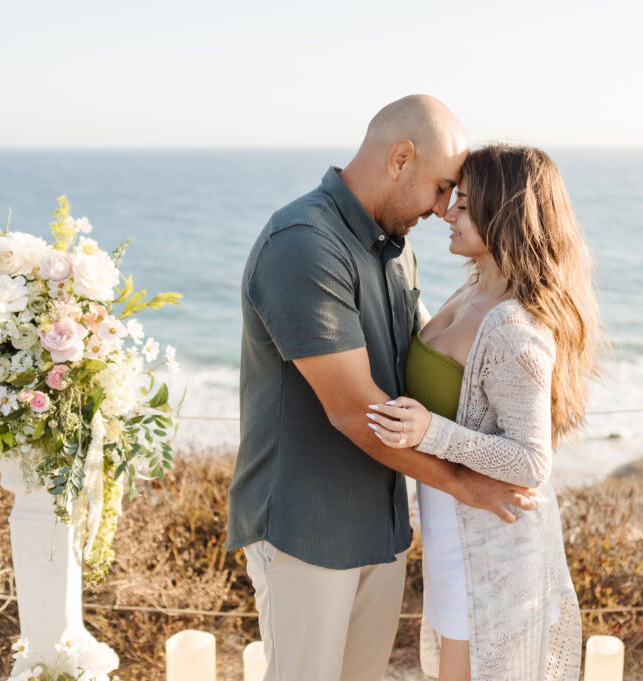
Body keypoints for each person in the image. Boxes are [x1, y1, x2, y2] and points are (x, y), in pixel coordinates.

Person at [227, 96, 539, 681]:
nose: (444, 207)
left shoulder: (397, 252)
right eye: (442, 186)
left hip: (382, 526)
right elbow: (354, 410)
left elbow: (414, 378)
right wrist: (464, 485)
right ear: (400, 158)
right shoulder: (303, 243)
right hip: (307, 530)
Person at [367, 144, 603, 681]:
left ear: (506, 216)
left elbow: (529, 463)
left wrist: (431, 431)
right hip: (452, 528)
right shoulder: (474, 285)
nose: (447, 212)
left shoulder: (513, 328)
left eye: (466, 205)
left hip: (493, 548)